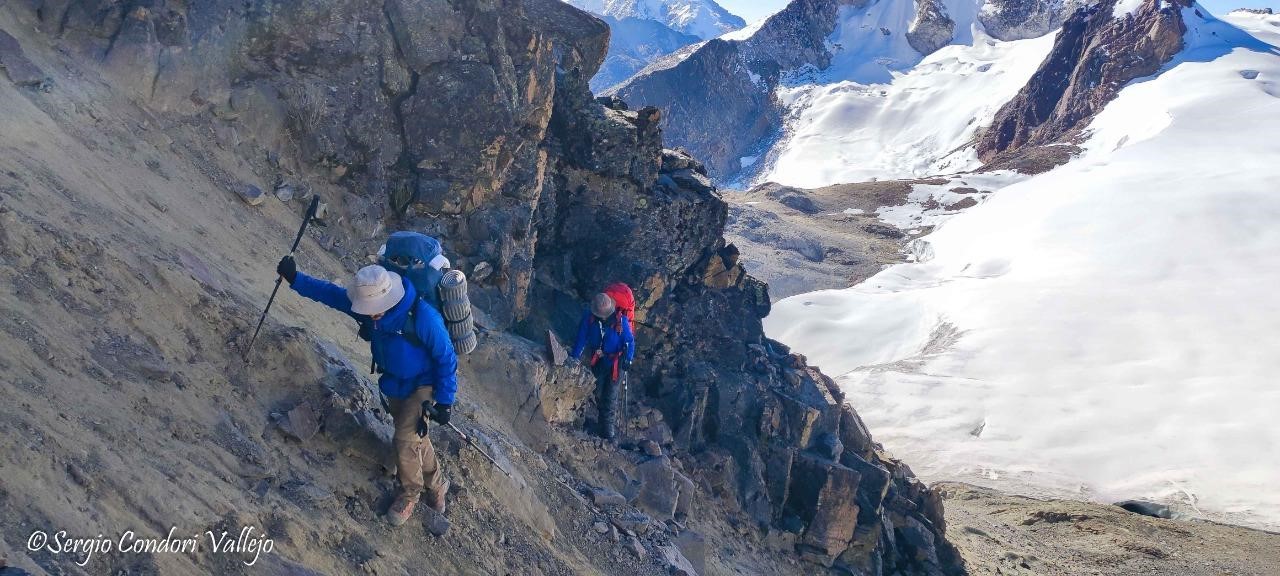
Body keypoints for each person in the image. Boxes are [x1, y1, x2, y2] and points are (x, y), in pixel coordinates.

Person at [277, 255, 457, 526]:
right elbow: (331, 295)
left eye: (375, 308)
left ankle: (409, 495)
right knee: (416, 437)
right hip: (396, 383)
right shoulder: (370, 313)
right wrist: (296, 279)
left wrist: (444, 402)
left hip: (425, 384)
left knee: (405, 438)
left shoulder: (423, 317)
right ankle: (438, 485)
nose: (370, 313)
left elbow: (447, 358)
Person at [570, 292, 635, 442]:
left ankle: (608, 433)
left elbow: (630, 342)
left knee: (610, 397)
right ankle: (597, 424)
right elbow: (581, 338)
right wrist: (574, 358)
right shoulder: (589, 318)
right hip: (599, 360)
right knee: (597, 391)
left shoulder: (621, 321)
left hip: (616, 364)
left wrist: (628, 359)